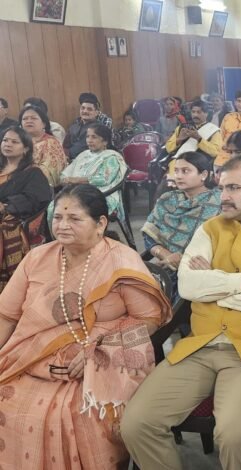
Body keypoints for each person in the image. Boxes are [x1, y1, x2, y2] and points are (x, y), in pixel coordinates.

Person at [121, 155, 241, 470]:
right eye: (222, 187)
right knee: (136, 423)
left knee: (233, 435)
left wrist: (214, 289)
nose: (223, 196)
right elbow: (188, 286)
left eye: (234, 187)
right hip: (199, 347)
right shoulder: (209, 229)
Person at [0, 184, 171, 469]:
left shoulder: (121, 261)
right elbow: (6, 316)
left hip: (102, 364)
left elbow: (149, 320)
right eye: (57, 217)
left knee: (78, 414)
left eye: (74, 218)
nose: (62, 225)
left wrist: (100, 347)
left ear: (100, 223)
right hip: (33, 359)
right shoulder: (37, 258)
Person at [142, 152, 221, 297]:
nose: (178, 176)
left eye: (185, 171)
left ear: (203, 175)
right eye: (176, 171)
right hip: (166, 268)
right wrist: (166, 255)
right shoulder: (166, 200)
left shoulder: (218, 202)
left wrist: (185, 261)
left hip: (201, 271)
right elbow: (149, 235)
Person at [0, 127, 52, 291]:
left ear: (26, 148)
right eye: (5, 140)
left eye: (14, 142)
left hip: (13, 217)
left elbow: (35, 198)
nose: (8, 144)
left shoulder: (32, 173)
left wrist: (6, 207)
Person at [57, 124, 128, 221]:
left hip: (101, 196)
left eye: (94, 137)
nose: (89, 140)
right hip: (77, 194)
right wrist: (65, 180)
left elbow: (104, 179)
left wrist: (77, 180)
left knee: (75, 211)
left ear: (105, 141)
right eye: (87, 136)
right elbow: (66, 174)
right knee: (54, 207)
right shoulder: (83, 155)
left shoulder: (111, 157)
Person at [20, 105, 68, 187]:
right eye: (25, 119)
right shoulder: (17, 143)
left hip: (37, 187)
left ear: (44, 124)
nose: (29, 121)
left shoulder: (51, 143)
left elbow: (48, 173)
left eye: (33, 118)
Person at [63, 92, 111, 159]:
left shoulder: (100, 128)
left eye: (89, 109)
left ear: (96, 113)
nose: (85, 111)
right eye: (82, 108)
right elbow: (65, 146)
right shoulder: (73, 127)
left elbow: (84, 148)